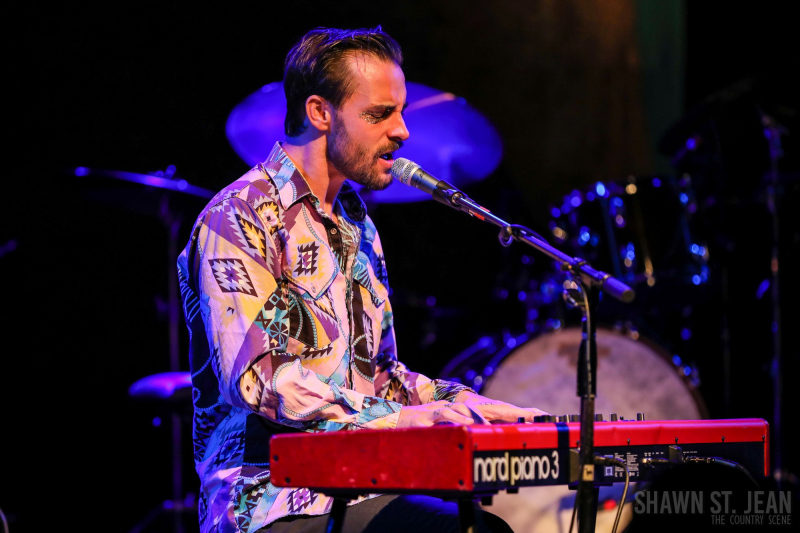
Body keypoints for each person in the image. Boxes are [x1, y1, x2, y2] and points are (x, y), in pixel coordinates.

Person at [177, 26, 548, 533]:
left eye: (401, 112)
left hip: (357, 483)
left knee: (483, 527)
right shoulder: (238, 215)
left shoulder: (357, 222)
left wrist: (465, 403)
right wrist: (401, 420)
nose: (403, 131)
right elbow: (262, 382)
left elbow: (382, 379)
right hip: (266, 501)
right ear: (319, 112)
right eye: (380, 114)